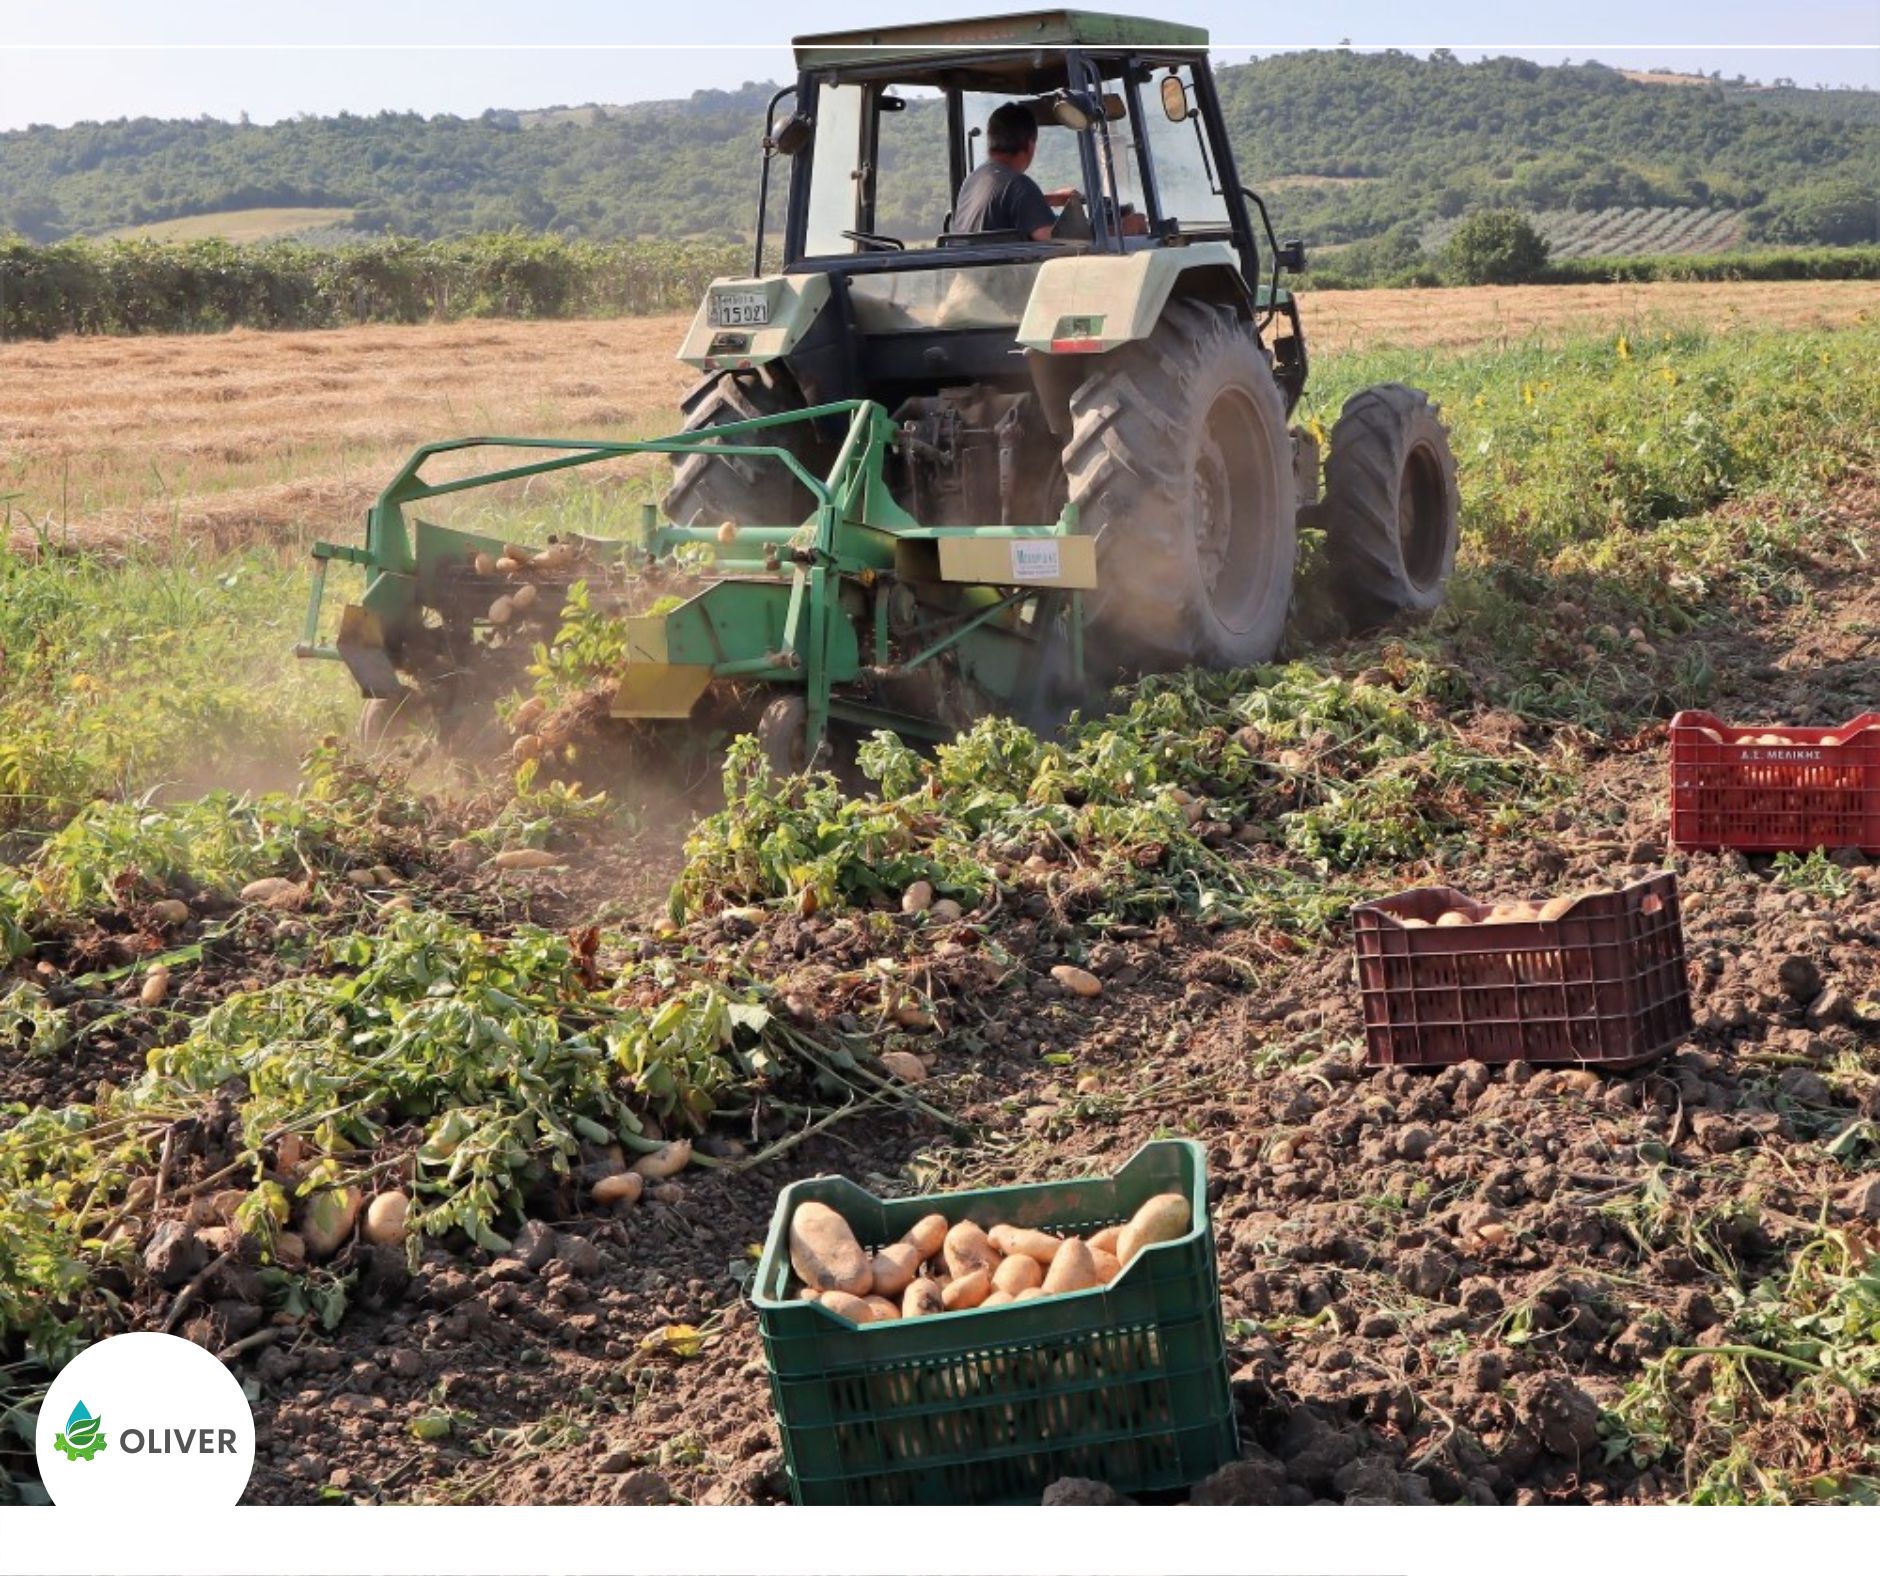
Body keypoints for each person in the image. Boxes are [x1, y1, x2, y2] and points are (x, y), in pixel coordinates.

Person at [952, 102, 1072, 241]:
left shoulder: (971, 181)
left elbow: (1004, 205)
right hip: (1001, 261)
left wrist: (1048, 200)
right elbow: (1056, 241)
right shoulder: (1019, 185)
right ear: (1030, 145)